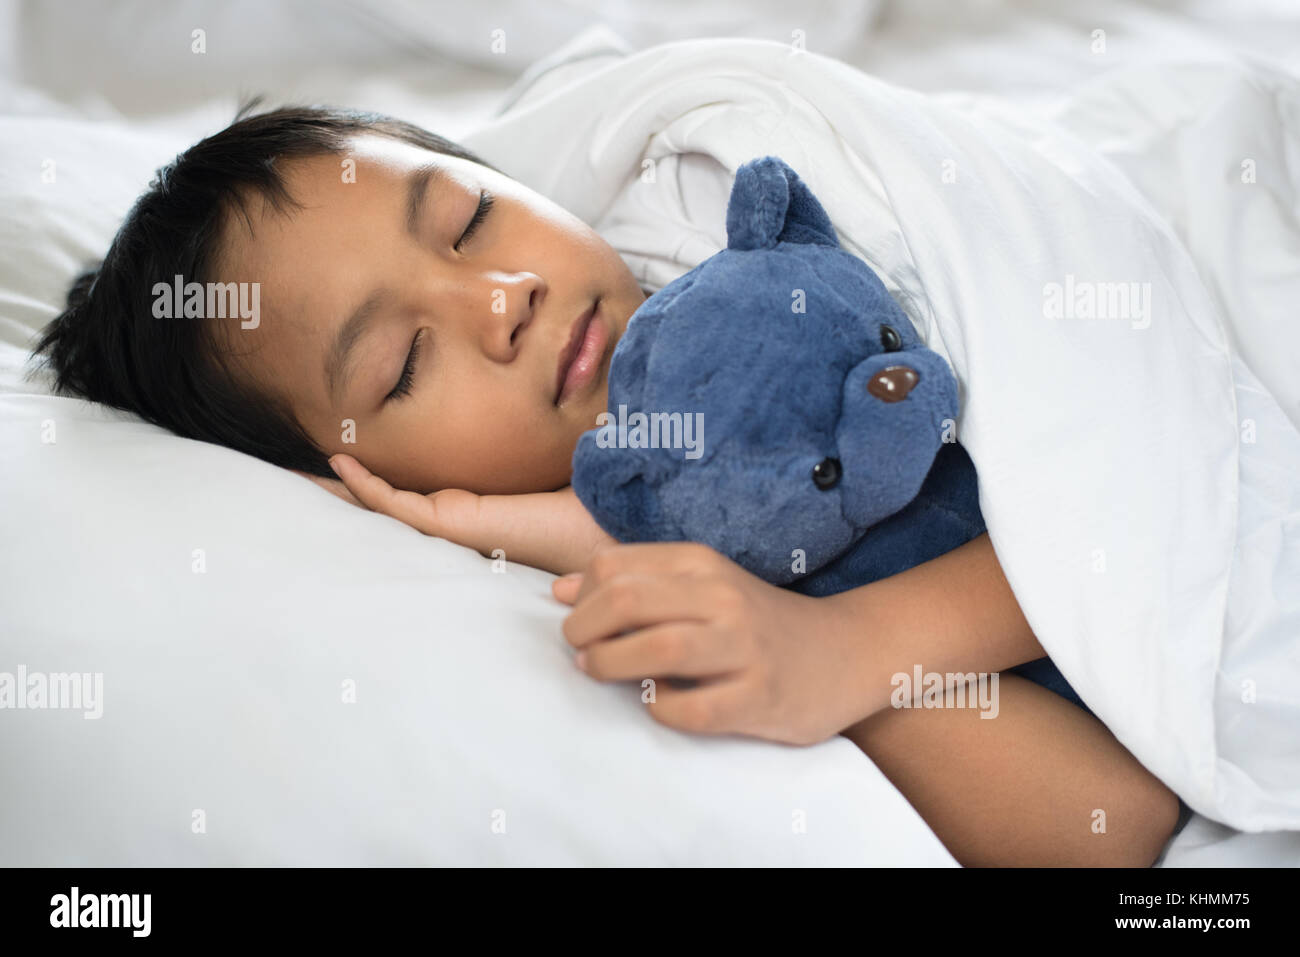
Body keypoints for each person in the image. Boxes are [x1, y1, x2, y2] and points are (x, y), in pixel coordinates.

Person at [32, 102, 1181, 866]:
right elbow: (1116, 827)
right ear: (350, 483)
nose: (502, 297)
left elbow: (1139, 478)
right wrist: (685, 579)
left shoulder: (709, 216)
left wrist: (861, 644)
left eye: (469, 218)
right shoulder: (655, 565)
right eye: (404, 362)